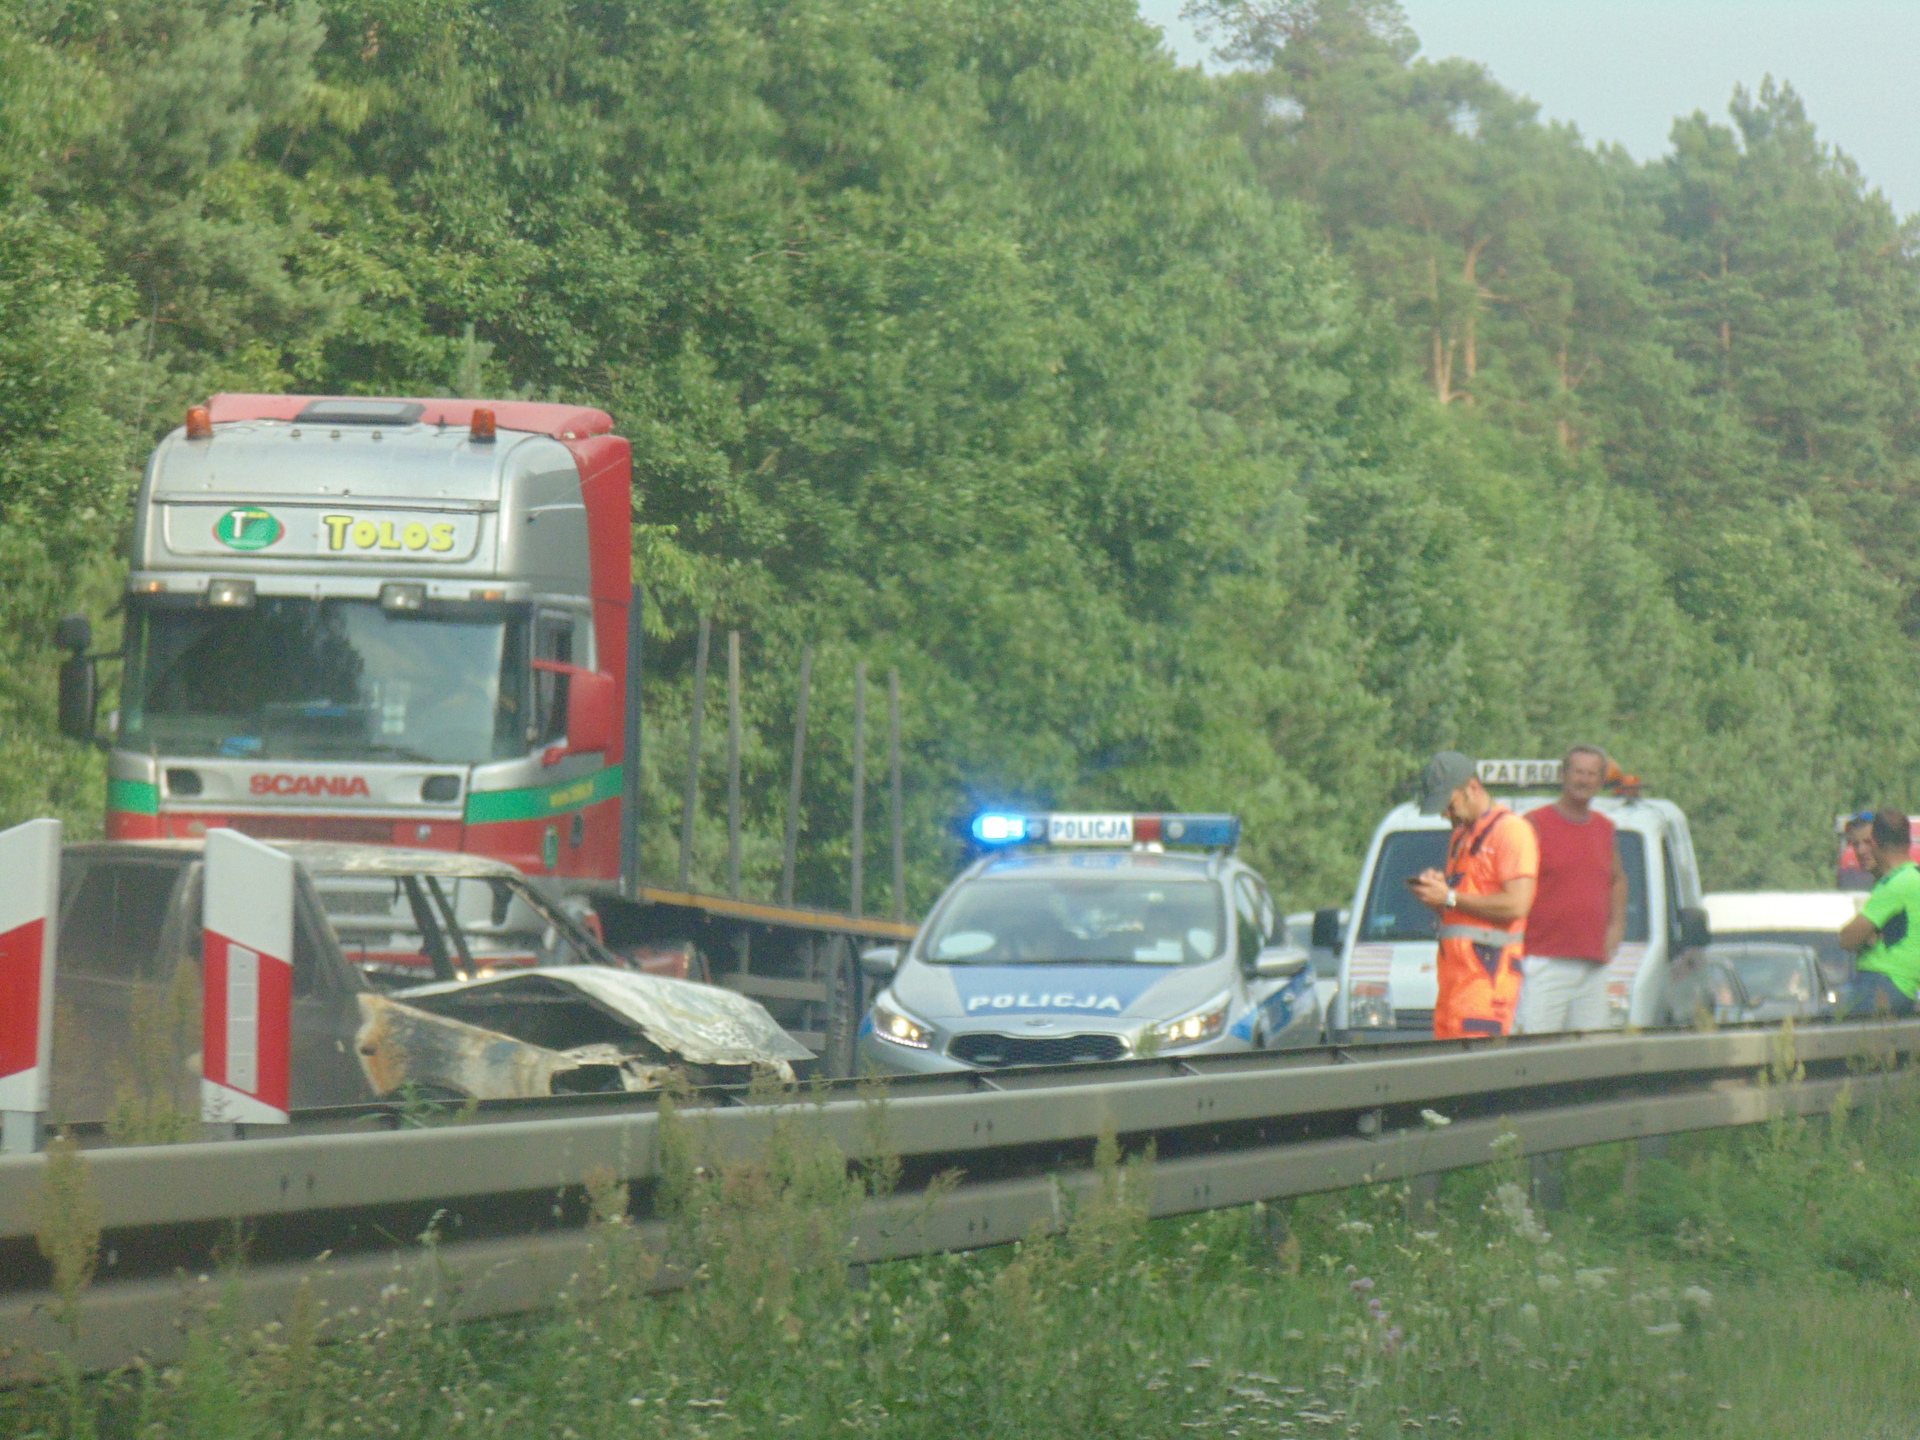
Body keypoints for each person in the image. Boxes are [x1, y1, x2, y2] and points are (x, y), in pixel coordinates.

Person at [1409, 751, 1538, 1039]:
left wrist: (1450, 898)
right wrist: (1438, 896)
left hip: (1488, 983)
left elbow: (1518, 905)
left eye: (1449, 804)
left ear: (1472, 787)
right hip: (1454, 986)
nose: (1446, 814)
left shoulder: (1512, 831)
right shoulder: (1461, 836)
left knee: (1476, 1074)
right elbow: (1464, 914)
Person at [1514, 745, 1628, 1034]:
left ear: (1601, 781)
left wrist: (1616, 926)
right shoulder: (1534, 824)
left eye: (1592, 774)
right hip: (1545, 961)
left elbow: (1617, 879)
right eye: (1578, 772)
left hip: (1592, 964)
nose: (1584, 780)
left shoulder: (1604, 828)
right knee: (1537, 1053)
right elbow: (1514, 883)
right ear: (1564, 775)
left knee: (1591, 1058)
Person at [1836, 809, 1920, 1017]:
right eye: (1855, 844)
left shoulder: (1895, 884)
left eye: (1867, 842)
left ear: (1877, 842)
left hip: (1883, 982)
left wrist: (1865, 936)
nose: (1861, 850)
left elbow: (1848, 939)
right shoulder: (1904, 879)